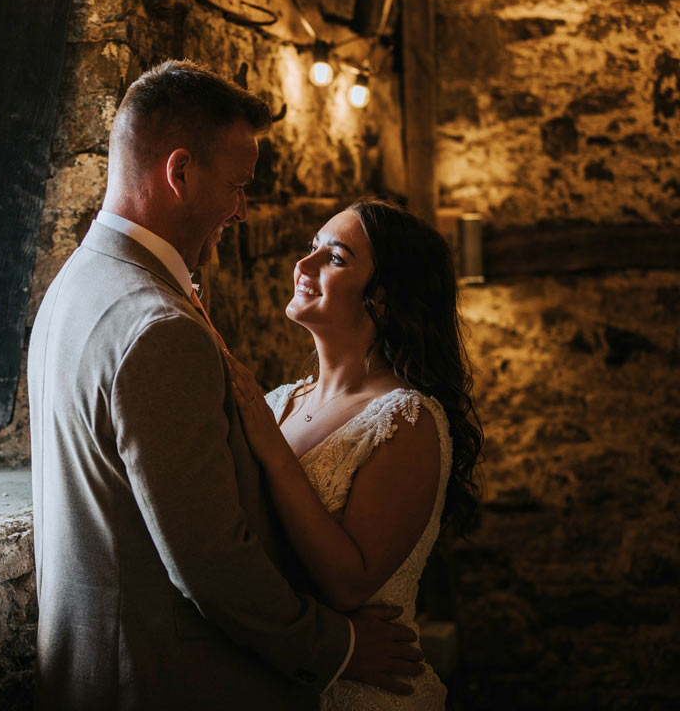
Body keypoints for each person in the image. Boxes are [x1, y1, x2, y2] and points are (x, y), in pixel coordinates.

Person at [28, 61, 425, 711]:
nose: (243, 211)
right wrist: (339, 646)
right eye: (238, 185)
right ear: (179, 173)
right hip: (158, 682)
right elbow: (211, 560)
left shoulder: (77, 283)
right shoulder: (159, 329)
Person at [226, 198, 485, 710]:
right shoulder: (278, 403)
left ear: (382, 300)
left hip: (363, 692)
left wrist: (272, 451)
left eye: (336, 258)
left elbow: (348, 584)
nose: (304, 266)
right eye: (312, 248)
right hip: (275, 680)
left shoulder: (406, 420)